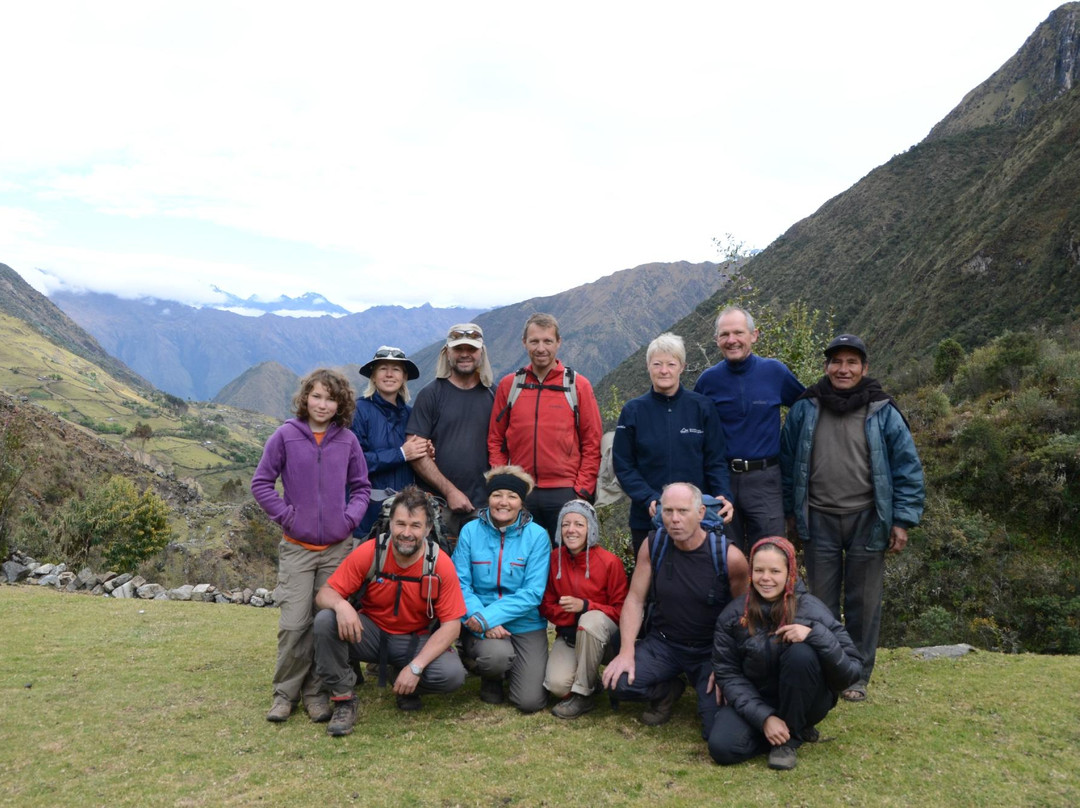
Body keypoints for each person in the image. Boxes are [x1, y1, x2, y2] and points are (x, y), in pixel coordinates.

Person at [781, 334, 925, 702]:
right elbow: (787, 465)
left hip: (868, 520)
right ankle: (826, 670)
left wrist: (902, 520)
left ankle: (856, 677)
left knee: (865, 603)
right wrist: (790, 515)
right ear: (826, 366)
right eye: (836, 362)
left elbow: (907, 467)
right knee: (820, 603)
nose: (843, 369)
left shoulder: (882, 410)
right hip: (819, 520)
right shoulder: (805, 408)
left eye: (851, 362)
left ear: (864, 367)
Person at [251, 368, 371, 724]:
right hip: (297, 548)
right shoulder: (285, 436)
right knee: (293, 624)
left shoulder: (347, 441)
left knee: (324, 623)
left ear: (340, 404)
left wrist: (348, 520)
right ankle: (284, 695)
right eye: (316, 396)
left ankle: (316, 694)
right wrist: (287, 517)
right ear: (305, 399)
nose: (322, 404)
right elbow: (261, 483)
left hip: (337, 549)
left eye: (331, 399)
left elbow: (361, 487)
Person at [311, 486, 467, 735]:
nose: (406, 533)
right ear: (390, 523)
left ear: (427, 529)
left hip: (415, 640)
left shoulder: (440, 564)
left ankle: (406, 683)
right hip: (369, 634)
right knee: (325, 621)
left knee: (452, 674)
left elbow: (452, 625)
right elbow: (324, 594)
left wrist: (416, 667)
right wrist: (342, 605)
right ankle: (343, 698)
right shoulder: (371, 552)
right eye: (400, 524)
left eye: (415, 526)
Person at [602, 483, 748, 737]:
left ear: (700, 513)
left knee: (715, 727)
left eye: (683, 511)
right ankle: (667, 690)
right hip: (664, 643)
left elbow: (743, 616)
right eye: (668, 511)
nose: (674, 519)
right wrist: (626, 652)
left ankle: (703, 693)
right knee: (618, 682)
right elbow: (635, 600)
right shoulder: (653, 545)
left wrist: (728, 664)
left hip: (709, 649)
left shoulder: (729, 557)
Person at [710, 537, 862, 770]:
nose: (766, 578)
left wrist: (814, 634)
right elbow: (728, 674)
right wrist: (764, 718)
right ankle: (782, 731)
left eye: (775, 571)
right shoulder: (733, 615)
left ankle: (789, 739)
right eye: (759, 570)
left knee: (801, 653)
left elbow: (850, 672)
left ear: (790, 573)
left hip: (806, 699)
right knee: (722, 747)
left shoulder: (813, 609)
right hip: (758, 698)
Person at [693, 307, 805, 552]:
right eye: (724, 334)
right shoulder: (707, 381)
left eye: (738, 333)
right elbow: (693, 429)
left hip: (765, 479)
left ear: (754, 335)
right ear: (716, 340)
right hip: (721, 481)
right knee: (724, 554)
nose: (731, 340)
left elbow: (806, 407)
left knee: (770, 552)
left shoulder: (775, 372)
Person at [613, 332, 733, 556]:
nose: (664, 370)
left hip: (697, 518)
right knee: (651, 575)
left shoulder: (702, 407)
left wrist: (723, 494)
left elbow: (716, 460)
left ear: (682, 367)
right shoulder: (633, 410)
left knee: (698, 573)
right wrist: (648, 498)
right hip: (647, 517)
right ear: (648, 366)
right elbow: (624, 465)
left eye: (671, 364)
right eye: (657, 364)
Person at [488, 312, 603, 542]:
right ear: (524, 342)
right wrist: (504, 483)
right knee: (522, 558)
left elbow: (592, 441)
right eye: (534, 341)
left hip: (566, 491)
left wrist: (581, 490)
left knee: (566, 559)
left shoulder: (577, 386)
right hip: (521, 491)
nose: (541, 348)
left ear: (558, 342)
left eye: (547, 341)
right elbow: (496, 439)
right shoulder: (510, 385)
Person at [452, 465, 551, 713]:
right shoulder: (470, 531)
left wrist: (490, 617)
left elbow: (532, 593)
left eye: (512, 496)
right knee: (496, 657)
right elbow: (460, 583)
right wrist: (481, 618)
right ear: (489, 498)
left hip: (525, 623)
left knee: (529, 702)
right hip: (479, 619)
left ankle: (513, 668)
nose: (503, 502)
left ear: (521, 502)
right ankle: (491, 676)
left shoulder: (538, 536)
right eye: (497, 495)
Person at [541, 500, 628, 719]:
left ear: (591, 528)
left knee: (590, 620)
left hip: (604, 637)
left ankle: (583, 695)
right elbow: (546, 605)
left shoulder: (610, 562)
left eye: (579, 524)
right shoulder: (554, 558)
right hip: (569, 636)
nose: (571, 530)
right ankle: (592, 681)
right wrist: (571, 618)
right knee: (557, 686)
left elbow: (621, 611)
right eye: (565, 524)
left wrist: (586, 607)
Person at [407, 323, 495, 539]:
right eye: (458, 349)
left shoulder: (495, 395)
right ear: (447, 353)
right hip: (437, 506)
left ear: (481, 353)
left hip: (483, 507)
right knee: (435, 560)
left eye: (471, 349)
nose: (465, 354)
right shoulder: (430, 395)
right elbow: (415, 452)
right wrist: (450, 491)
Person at [350, 346, 432, 538]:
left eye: (395, 369)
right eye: (382, 369)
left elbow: (415, 457)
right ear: (373, 376)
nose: (389, 374)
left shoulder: (411, 414)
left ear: (404, 377)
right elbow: (354, 462)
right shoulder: (358, 411)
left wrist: (426, 453)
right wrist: (401, 454)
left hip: (404, 516)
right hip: (366, 514)